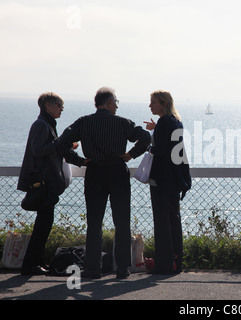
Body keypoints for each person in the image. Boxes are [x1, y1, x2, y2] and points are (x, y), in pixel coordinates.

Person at [56, 87, 151, 279]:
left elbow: (61, 143)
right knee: (122, 222)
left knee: (94, 223)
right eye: (115, 102)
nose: (116, 105)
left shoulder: (84, 122)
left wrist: (79, 160)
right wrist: (131, 154)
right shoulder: (122, 123)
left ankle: (93, 269)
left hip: (95, 172)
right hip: (117, 172)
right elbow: (145, 137)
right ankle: (122, 269)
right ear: (108, 103)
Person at [18, 92, 81, 275]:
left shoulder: (46, 124)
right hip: (44, 183)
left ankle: (35, 262)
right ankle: (30, 265)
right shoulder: (40, 125)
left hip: (47, 183)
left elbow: (49, 148)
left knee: (44, 224)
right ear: (47, 105)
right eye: (59, 105)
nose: (61, 109)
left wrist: (64, 146)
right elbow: (38, 151)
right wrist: (61, 142)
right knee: (43, 224)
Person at [144, 90, 191, 274]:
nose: (150, 106)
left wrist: (149, 145)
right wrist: (156, 130)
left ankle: (164, 264)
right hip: (174, 180)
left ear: (163, 104)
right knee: (173, 221)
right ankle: (175, 262)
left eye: (153, 102)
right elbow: (172, 148)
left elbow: (160, 150)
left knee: (162, 222)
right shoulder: (175, 121)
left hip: (162, 180)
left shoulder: (164, 122)